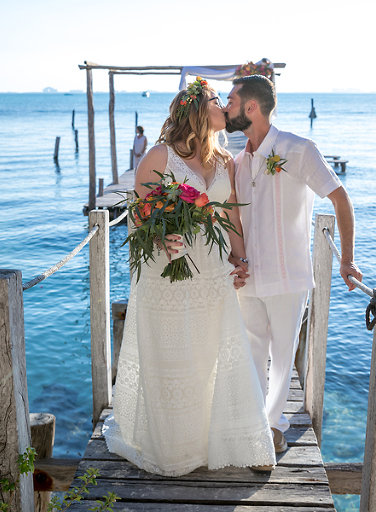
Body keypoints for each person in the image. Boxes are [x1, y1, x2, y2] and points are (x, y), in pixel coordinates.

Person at [103, 78, 276, 476]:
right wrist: (163, 239)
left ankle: (227, 439)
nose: (226, 107)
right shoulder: (159, 156)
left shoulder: (224, 160)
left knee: (214, 351)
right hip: (167, 272)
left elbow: (230, 214)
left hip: (212, 270)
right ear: (199, 108)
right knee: (172, 354)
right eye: (219, 100)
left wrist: (240, 256)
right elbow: (139, 216)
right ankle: (175, 445)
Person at [222, 75, 363, 453]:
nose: (226, 107)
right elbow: (235, 219)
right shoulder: (237, 160)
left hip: (288, 274)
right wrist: (235, 259)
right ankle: (255, 426)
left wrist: (346, 260)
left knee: (283, 355)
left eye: (231, 101)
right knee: (253, 349)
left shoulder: (298, 149)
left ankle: (271, 427)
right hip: (248, 274)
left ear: (251, 107)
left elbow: (340, 198)